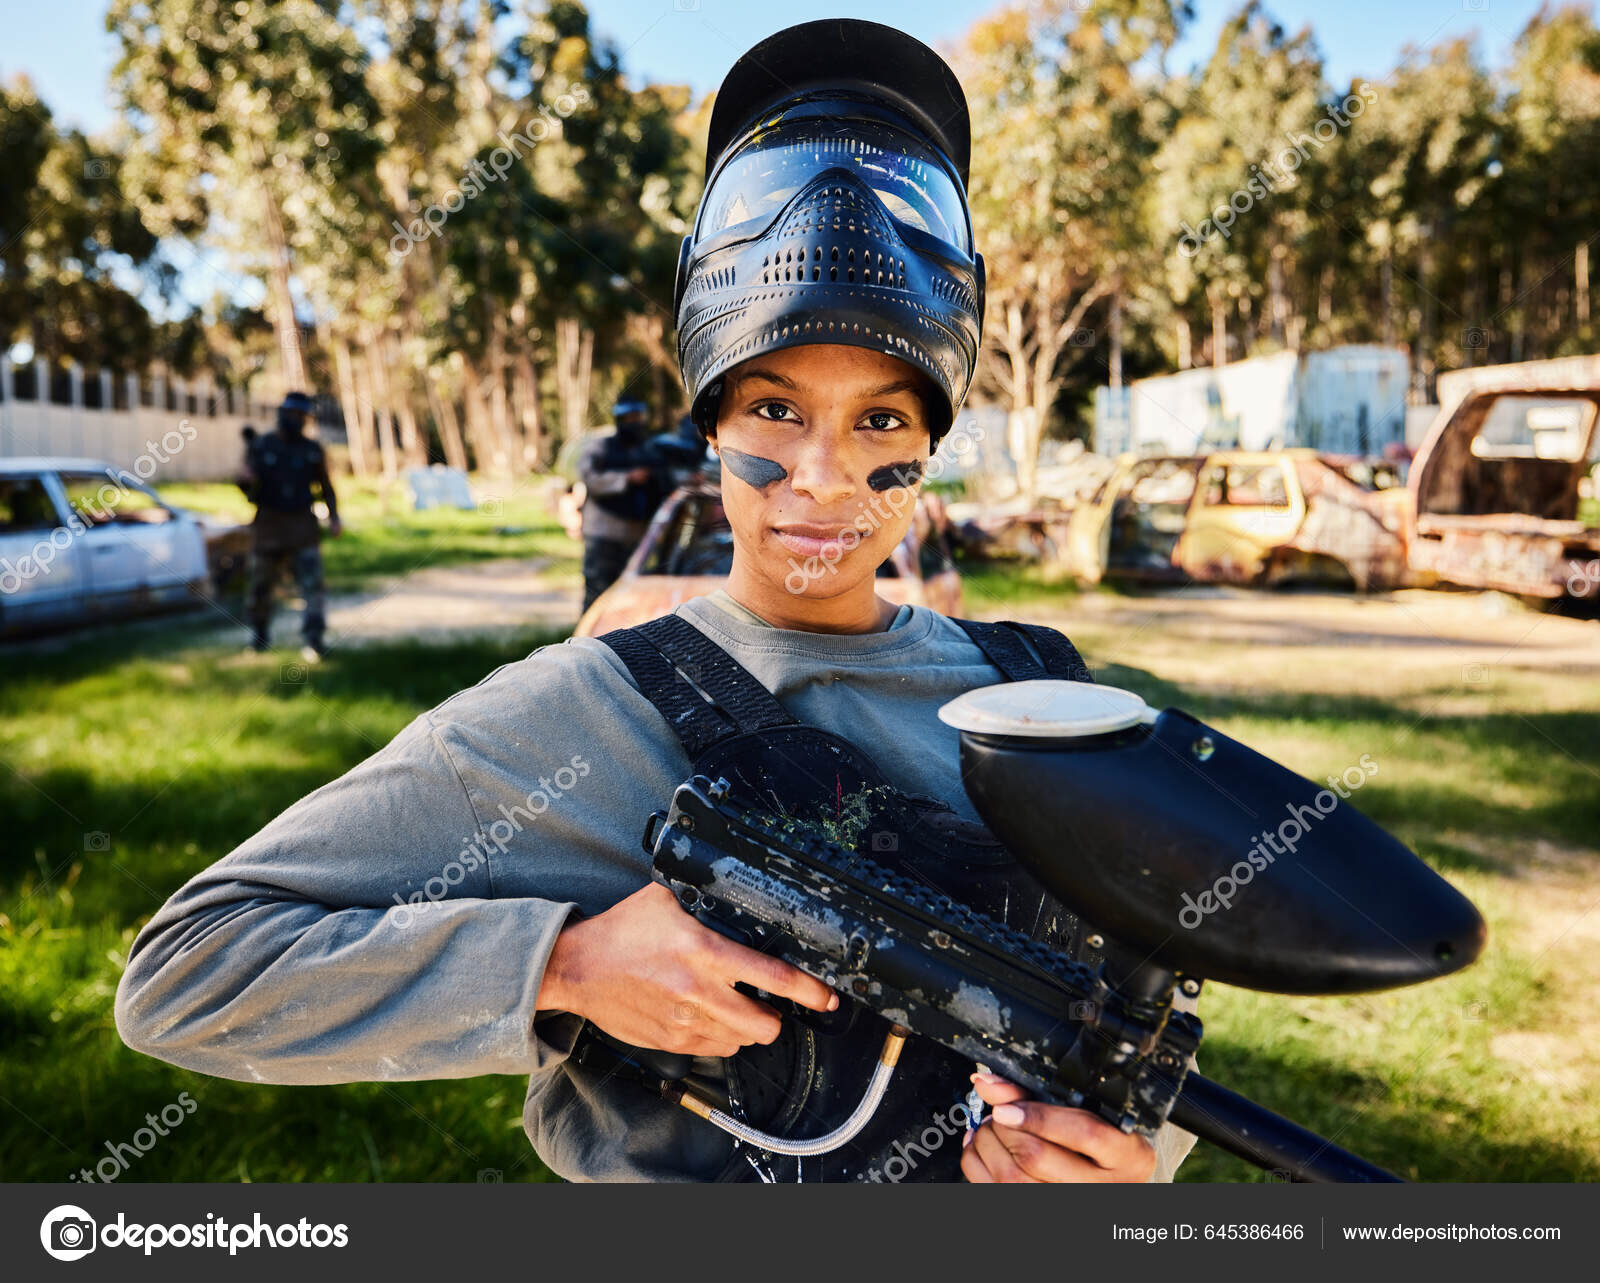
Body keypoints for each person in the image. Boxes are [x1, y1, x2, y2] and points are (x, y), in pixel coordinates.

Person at [115, 21, 1198, 1184]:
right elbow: (188, 973)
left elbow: (1148, 1043)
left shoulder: (1043, 699)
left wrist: (1115, 1168)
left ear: (930, 445)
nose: (822, 478)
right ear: (712, 429)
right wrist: (562, 966)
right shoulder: (583, 714)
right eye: (775, 411)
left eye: (880, 418)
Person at [240, 391, 342, 660]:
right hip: (268, 527)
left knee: (312, 586)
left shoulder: (312, 450)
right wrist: (245, 479)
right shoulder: (261, 446)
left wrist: (334, 517)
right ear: (282, 414)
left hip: (302, 528)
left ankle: (314, 640)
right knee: (260, 585)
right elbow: (247, 487)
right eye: (293, 414)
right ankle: (259, 636)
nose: (297, 420)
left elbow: (326, 487)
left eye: (302, 416)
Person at [576, 399, 670, 612]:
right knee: (597, 594)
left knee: (630, 598)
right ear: (619, 420)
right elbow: (588, 476)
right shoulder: (601, 446)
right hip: (603, 532)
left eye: (638, 418)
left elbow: (667, 479)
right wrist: (626, 478)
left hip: (637, 535)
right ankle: (588, 640)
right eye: (629, 419)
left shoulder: (650, 448)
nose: (634, 423)